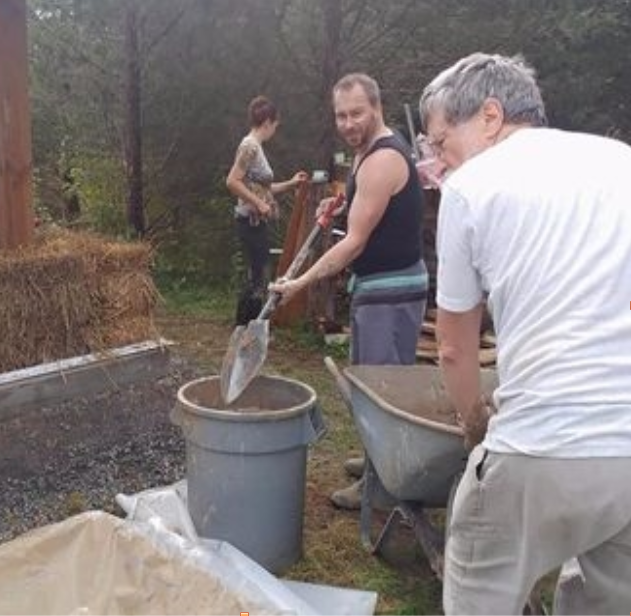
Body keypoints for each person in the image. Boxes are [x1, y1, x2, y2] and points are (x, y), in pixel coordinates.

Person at [419, 52, 631, 614]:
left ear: (490, 116)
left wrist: (474, 424)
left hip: (540, 444)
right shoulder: (622, 162)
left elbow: (453, 346)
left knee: (479, 595)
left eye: (442, 144)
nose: (440, 163)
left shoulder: (472, 188)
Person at [270, 73, 427, 509]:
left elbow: (354, 241)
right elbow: (368, 206)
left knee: (384, 392)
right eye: (341, 115)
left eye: (357, 113)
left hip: (392, 292)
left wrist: (300, 282)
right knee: (368, 382)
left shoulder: (382, 159)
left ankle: (382, 485)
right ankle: (377, 461)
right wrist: (340, 199)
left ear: (376, 106)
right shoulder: (365, 154)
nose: (348, 122)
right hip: (375, 287)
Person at [226, 96, 308, 326]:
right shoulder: (249, 146)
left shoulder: (256, 148)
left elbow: (264, 188)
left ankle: (246, 327)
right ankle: (245, 327)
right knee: (258, 277)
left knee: (258, 276)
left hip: (257, 222)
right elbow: (232, 181)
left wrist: (291, 183)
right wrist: (259, 204)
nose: (275, 130)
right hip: (249, 222)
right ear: (268, 122)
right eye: (275, 125)